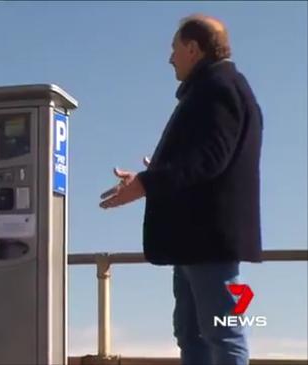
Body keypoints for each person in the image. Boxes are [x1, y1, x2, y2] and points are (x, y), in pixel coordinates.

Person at [99, 14, 263, 365]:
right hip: (196, 241)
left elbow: (208, 159)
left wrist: (147, 183)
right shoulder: (219, 89)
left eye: (174, 49)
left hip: (209, 242)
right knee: (193, 333)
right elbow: (204, 159)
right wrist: (154, 175)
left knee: (221, 333)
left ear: (193, 49)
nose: (170, 58)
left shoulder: (218, 90)